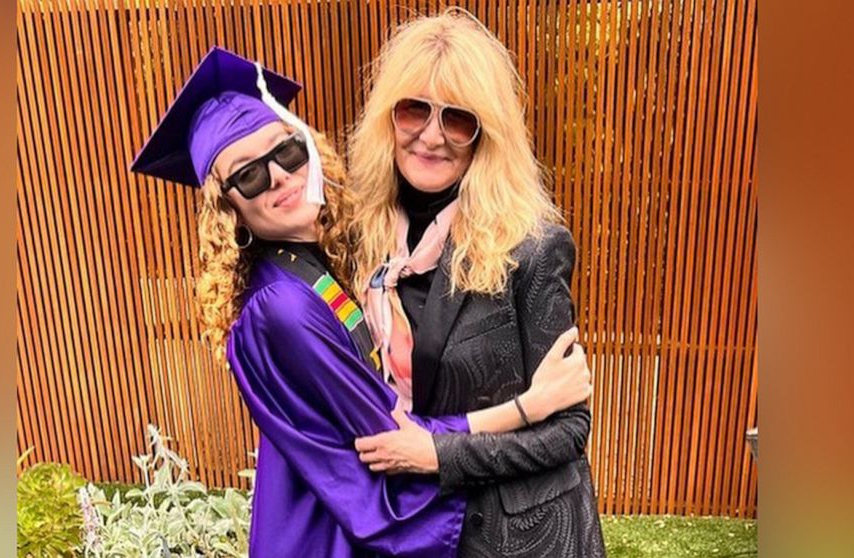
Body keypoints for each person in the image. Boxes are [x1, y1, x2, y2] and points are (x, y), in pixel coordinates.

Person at [131, 47, 592, 558]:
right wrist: (527, 407)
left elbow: (569, 432)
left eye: (286, 152)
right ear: (229, 210)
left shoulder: (327, 263)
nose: (280, 177)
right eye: (249, 175)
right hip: (325, 534)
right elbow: (388, 440)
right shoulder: (280, 307)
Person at [349, 9, 606, 557]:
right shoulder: (368, 240)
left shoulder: (531, 247)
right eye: (414, 109)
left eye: (458, 119)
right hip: (416, 524)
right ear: (388, 119)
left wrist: (439, 454)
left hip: (521, 537)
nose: (431, 136)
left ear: (485, 135)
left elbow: (567, 431)